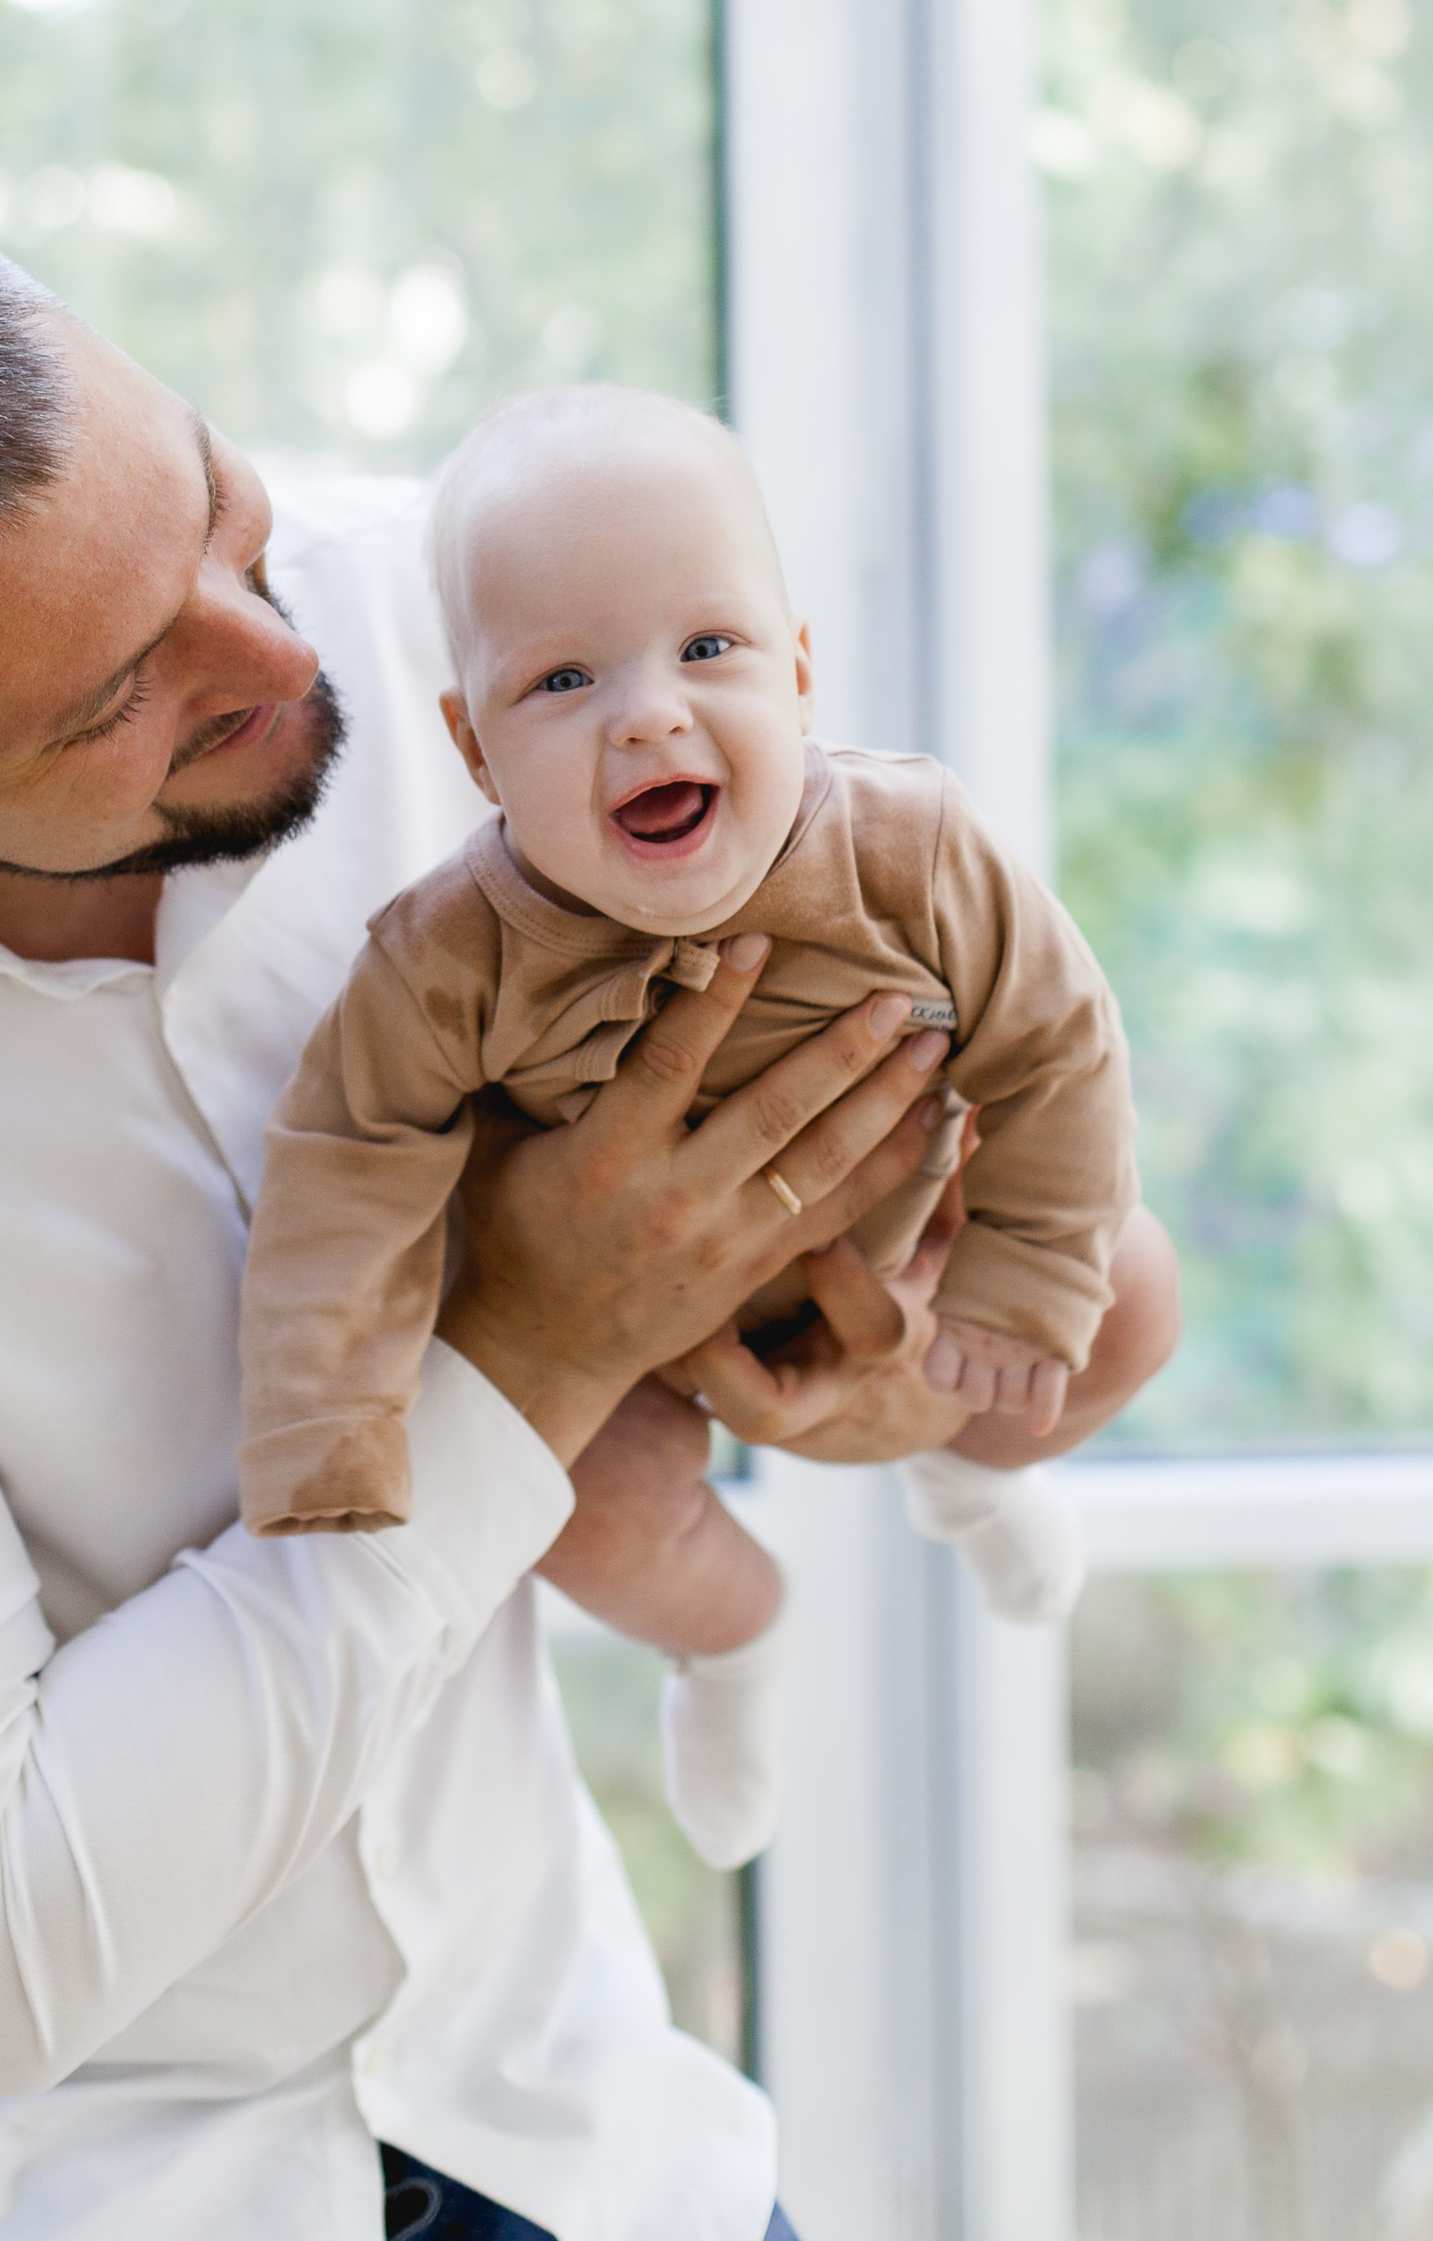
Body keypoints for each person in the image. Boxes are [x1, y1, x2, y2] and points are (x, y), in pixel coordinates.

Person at [0, 200, 1163, 2241]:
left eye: (219, 511)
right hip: (10, 2184)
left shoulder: (473, 616)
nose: (284, 647)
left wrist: (922, 1330)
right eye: (123, 692)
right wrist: (538, 1339)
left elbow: (980, 1096)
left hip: (561, 2113)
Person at [238, 386, 1179, 1872]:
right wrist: (324, 1415)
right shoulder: (445, 956)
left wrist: (1015, 1272)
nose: (650, 712)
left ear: (799, 672)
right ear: (473, 752)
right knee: (570, 1503)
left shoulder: (910, 848)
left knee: (1125, 1290)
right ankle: (734, 1638)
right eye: (560, 681)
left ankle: (977, 1467)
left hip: (913, 1250)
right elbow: (348, 1159)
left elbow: (1058, 1038)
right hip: (628, 1342)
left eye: (708, 649)